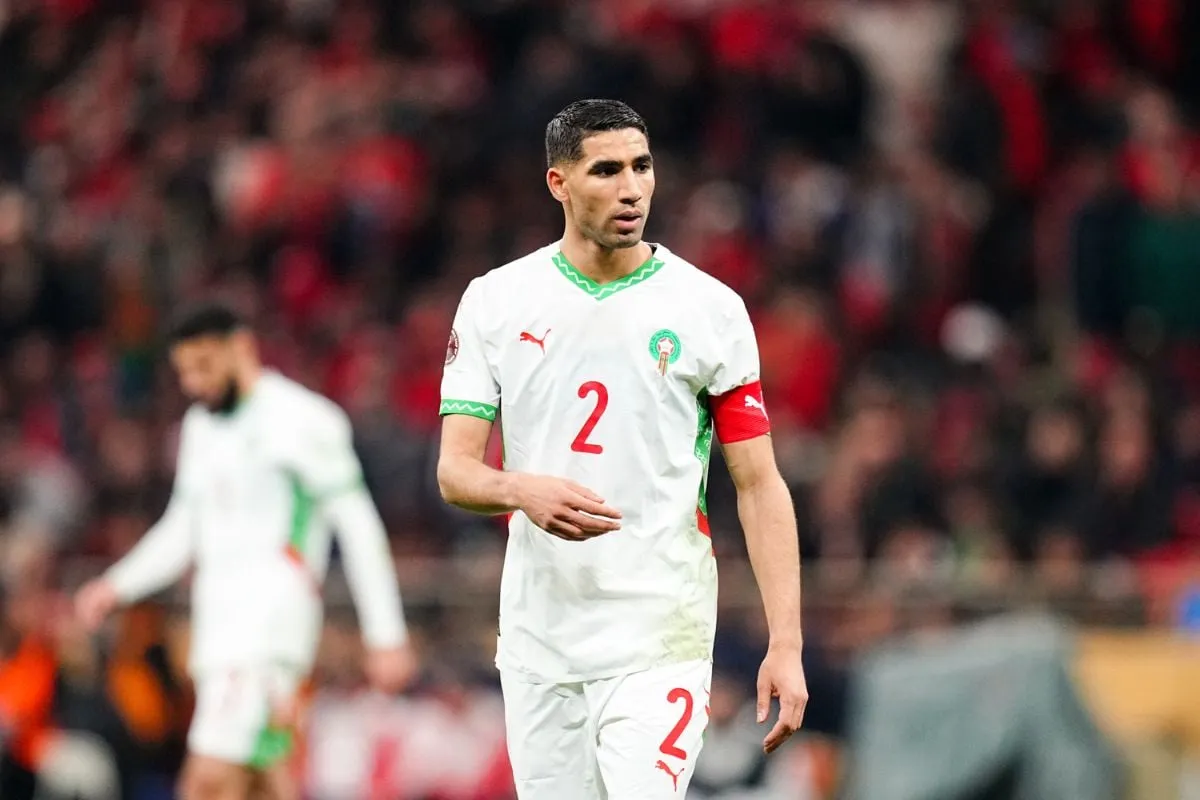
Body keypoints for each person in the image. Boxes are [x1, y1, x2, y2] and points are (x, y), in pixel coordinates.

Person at [437, 98, 807, 799]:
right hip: (540, 640)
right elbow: (455, 472)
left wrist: (785, 643)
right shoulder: (496, 301)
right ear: (559, 183)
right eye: (606, 171)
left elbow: (759, 484)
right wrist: (520, 489)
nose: (632, 187)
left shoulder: (710, 310)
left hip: (658, 635)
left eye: (642, 166)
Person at [73, 303, 416, 800]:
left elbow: (358, 525)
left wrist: (386, 634)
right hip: (218, 633)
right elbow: (182, 528)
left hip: (268, 633)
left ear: (241, 348)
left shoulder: (303, 419)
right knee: (263, 782)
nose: (194, 383)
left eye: (204, 366)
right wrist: (117, 585)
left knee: (209, 779)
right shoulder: (200, 427)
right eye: (184, 372)